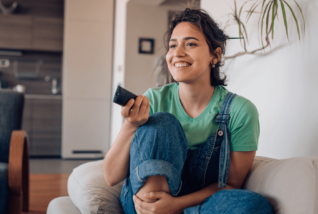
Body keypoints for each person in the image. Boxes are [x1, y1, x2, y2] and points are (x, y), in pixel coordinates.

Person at [103, 8, 274, 214]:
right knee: (163, 122)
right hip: (145, 205)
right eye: (173, 45)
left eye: (190, 44)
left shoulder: (241, 111)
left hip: (195, 204)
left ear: (215, 55)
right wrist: (131, 125)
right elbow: (111, 177)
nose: (177, 53)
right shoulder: (154, 99)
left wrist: (176, 205)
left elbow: (230, 183)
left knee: (255, 205)